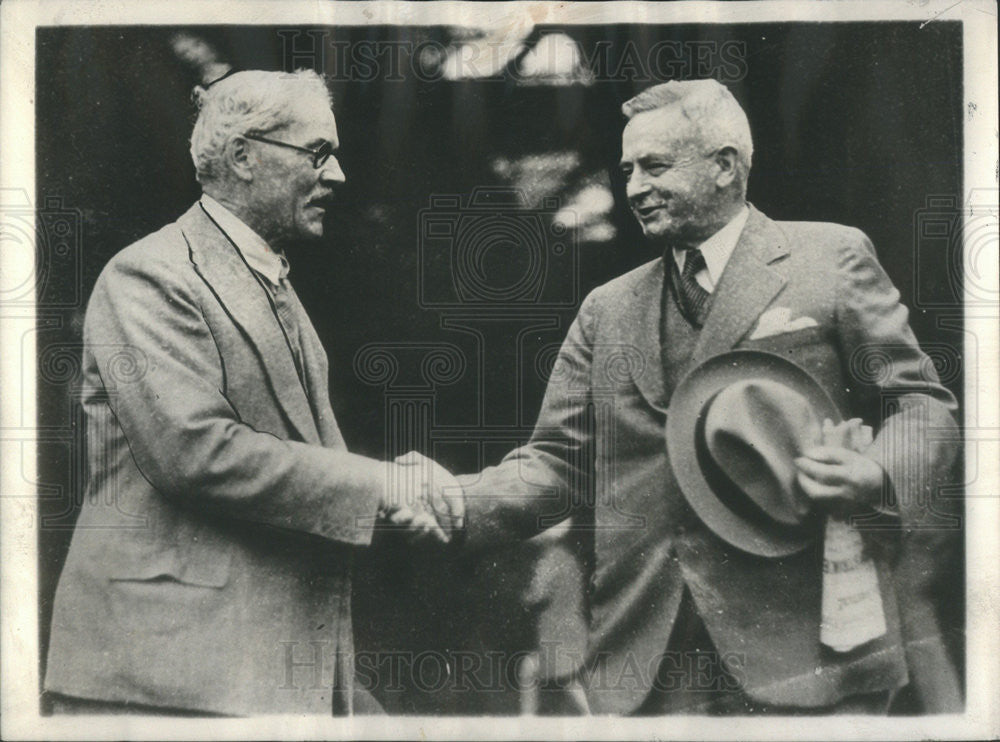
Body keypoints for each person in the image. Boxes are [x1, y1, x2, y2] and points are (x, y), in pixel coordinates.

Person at [419, 79, 960, 714]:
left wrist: (874, 471)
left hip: (811, 649)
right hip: (647, 659)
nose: (635, 188)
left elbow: (922, 403)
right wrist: (456, 499)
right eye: (627, 171)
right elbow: (558, 464)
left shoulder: (830, 259)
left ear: (726, 165)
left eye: (655, 166)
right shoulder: (606, 309)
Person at [43, 69, 460, 717]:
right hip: (167, 680)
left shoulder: (269, 282)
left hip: (249, 677)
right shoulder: (151, 276)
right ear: (243, 156)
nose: (339, 175)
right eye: (319, 152)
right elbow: (197, 451)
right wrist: (383, 486)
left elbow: (298, 470)